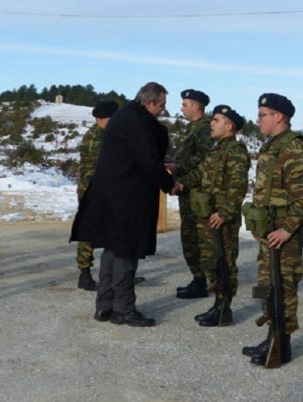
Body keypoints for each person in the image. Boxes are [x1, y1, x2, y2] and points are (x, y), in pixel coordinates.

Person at [70, 82, 176, 327]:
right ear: (149, 103)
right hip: (127, 197)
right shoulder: (137, 122)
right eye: (161, 105)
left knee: (112, 250)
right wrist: (170, 185)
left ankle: (104, 306)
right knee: (126, 252)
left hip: (111, 195)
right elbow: (149, 161)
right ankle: (124, 309)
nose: (162, 110)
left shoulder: (124, 116)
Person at [241, 93, 303, 366]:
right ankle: (272, 335)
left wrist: (288, 229)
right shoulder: (271, 146)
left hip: (285, 233)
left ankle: (283, 342)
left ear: (279, 117)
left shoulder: (293, 147)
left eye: (263, 115)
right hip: (269, 230)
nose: (258, 120)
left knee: (284, 286)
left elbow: (302, 196)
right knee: (268, 284)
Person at [177, 104, 249, 326]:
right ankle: (217, 304)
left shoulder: (235, 152)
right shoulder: (216, 150)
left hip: (221, 220)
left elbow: (238, 186)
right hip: (208, 217)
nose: (211, 123)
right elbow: (199, 174)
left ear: (229, 127)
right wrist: (181, 184)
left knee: (224, 263)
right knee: (210, 261)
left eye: (216, 120)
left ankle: (224, 308)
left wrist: (224, 212)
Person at [169, 89, 214, 299]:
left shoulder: (204, 128)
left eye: (185, 105)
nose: (181, 108)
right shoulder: (193, 128)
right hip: (189, 194)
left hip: (198, 194)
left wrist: (179, 168)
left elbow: (204, 159)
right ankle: (198, 280)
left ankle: (208, 281)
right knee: (190, 239)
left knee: (201, 240)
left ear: (196, 107)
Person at [75, 100, 118, 291]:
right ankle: (84, 274)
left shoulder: (104, 134)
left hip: (101, 189)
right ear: (102, 119)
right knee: (89, 232)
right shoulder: (99, 137)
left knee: (113, 231)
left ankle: (117, 274)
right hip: (93, 190)